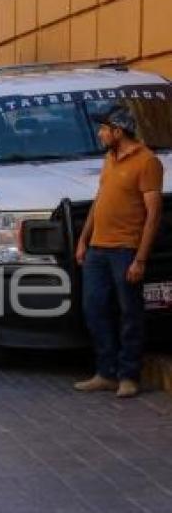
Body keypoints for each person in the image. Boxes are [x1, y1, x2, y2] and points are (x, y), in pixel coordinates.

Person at [74, 105, 164, 399]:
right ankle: (106, 373)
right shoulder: (109, 158)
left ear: (118, 131)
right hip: (98, 250)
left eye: (103, 129)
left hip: (126, 250)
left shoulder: (147, 161)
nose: (100, 134)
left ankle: (128, 376)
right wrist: (83, 239)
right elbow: (100, 201)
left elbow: (153, 214)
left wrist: (140, 258)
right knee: (94, 309)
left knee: (130, 314)